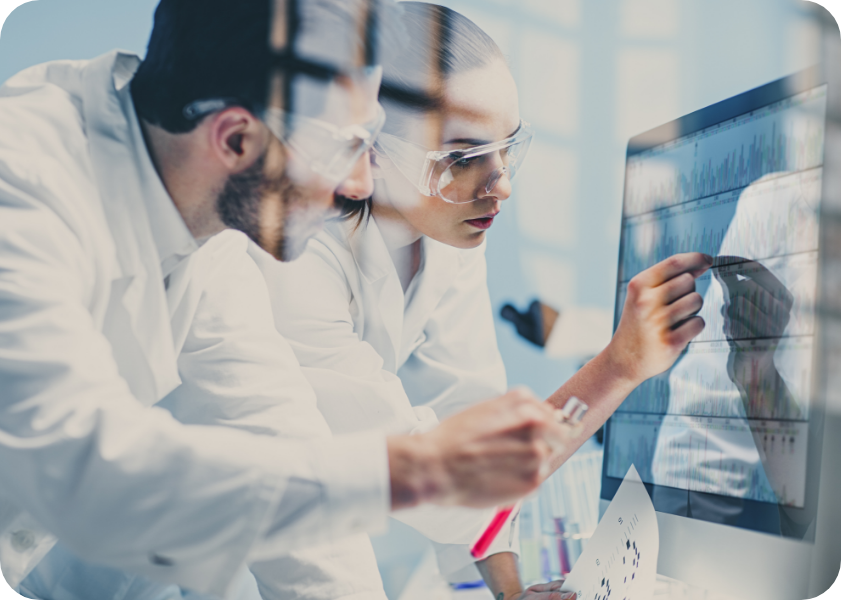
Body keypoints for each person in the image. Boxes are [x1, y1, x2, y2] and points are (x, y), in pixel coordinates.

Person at [0, 1, 572, 597]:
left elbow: (278, 434)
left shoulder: (208, 230)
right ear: (237, 137)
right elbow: (80, 467)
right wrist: (412, 471)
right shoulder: (23, 187)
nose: (357, 183)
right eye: (345, 147)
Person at [254, 3, 712, 599]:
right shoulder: (294, 256)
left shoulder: (448, 234)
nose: (501, 185)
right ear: (367, 148)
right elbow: (437, 470)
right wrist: (619, 367)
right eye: (464, 159)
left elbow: (466, 410)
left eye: (506, 148)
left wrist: (513, 594)